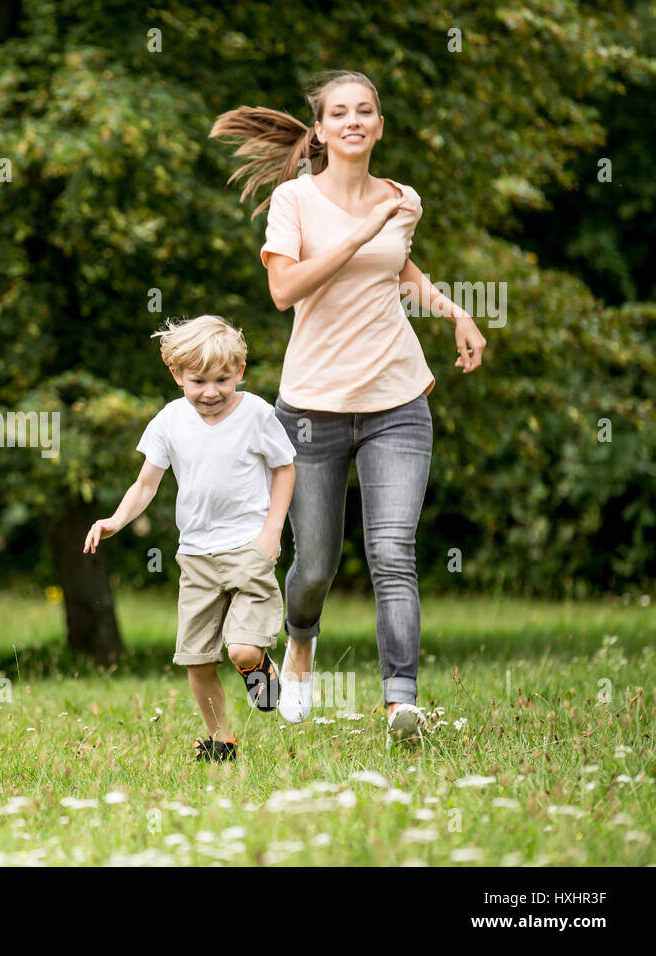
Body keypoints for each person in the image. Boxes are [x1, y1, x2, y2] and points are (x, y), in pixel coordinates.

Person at [210, 70, 487, 743]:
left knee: (393, 550)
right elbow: (284, 289)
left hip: (397, 399)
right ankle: (300, 642)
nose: (355, 120)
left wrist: (454, 314)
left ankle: (400, 702)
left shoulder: (403, 201)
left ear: (380, 126)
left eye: (367, 110)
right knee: (313, 567)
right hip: (311, 409)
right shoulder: (294, 201)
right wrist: (359, 232)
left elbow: (402, 273)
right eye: (341, 112)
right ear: (323, 129)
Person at [83, 315, 296, 761]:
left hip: (248, 549)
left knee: (240, 649)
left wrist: (272, 532)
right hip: (195, 558)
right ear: (177, 375)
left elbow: (284, 468)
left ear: (239, 371)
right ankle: (221, 740)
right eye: (198, 380)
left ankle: (260, 669)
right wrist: (115, 521)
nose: (211, 391)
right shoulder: (170, 420)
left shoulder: (257, 413)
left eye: (222, 379)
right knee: (197, 660)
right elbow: (145, 484)